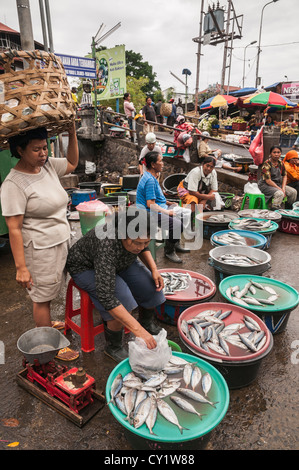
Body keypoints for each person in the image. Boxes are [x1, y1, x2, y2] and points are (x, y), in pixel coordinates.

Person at [1, 124, 79, 358]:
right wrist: (21, 268)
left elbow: (72, 163)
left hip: (61, 240)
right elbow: (13, 228)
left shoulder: (47, 167)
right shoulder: (13, 185)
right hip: (40, 250)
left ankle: (46, 328)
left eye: (45, 148)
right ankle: (50, 346)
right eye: (36, 149)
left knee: (54, 289)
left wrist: (72, 133)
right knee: (42, 299)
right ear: (19, 150)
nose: (43, 153)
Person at [66, 209, 165, 363]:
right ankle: (114, 346)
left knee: (150, 285)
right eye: (137, 243)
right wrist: (138, 331)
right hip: (86, 267)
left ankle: (147, 322)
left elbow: (142, 247)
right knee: (122, 299)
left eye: (146, 242)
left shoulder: (136, 236)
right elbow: (106, 296)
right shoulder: (106, 243)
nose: (141, 246)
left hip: (120, 260)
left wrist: (154, 270)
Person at [136, 151, 190, 264]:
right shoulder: (150, 180)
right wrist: (167, 212)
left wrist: (167, 202)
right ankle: (169, 251)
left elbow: (155, 197)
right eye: (160, 161)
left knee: (185, 213)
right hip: (148, 213)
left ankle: (175, 243)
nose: (163, 163)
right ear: (153, 164)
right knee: (177, 224)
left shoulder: (151, 176)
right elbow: (150, 204)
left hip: (158, 208)